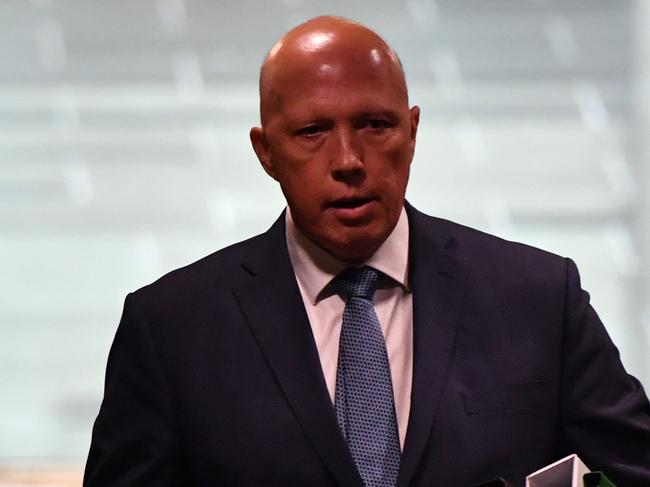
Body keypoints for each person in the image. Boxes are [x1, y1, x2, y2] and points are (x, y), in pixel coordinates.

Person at [84, 16, 650, 486]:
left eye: (375, 125)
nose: (349, 160)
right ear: (265, 152)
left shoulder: (539, 300)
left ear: (412, 131)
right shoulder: (171, 330)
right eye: (312, 132)